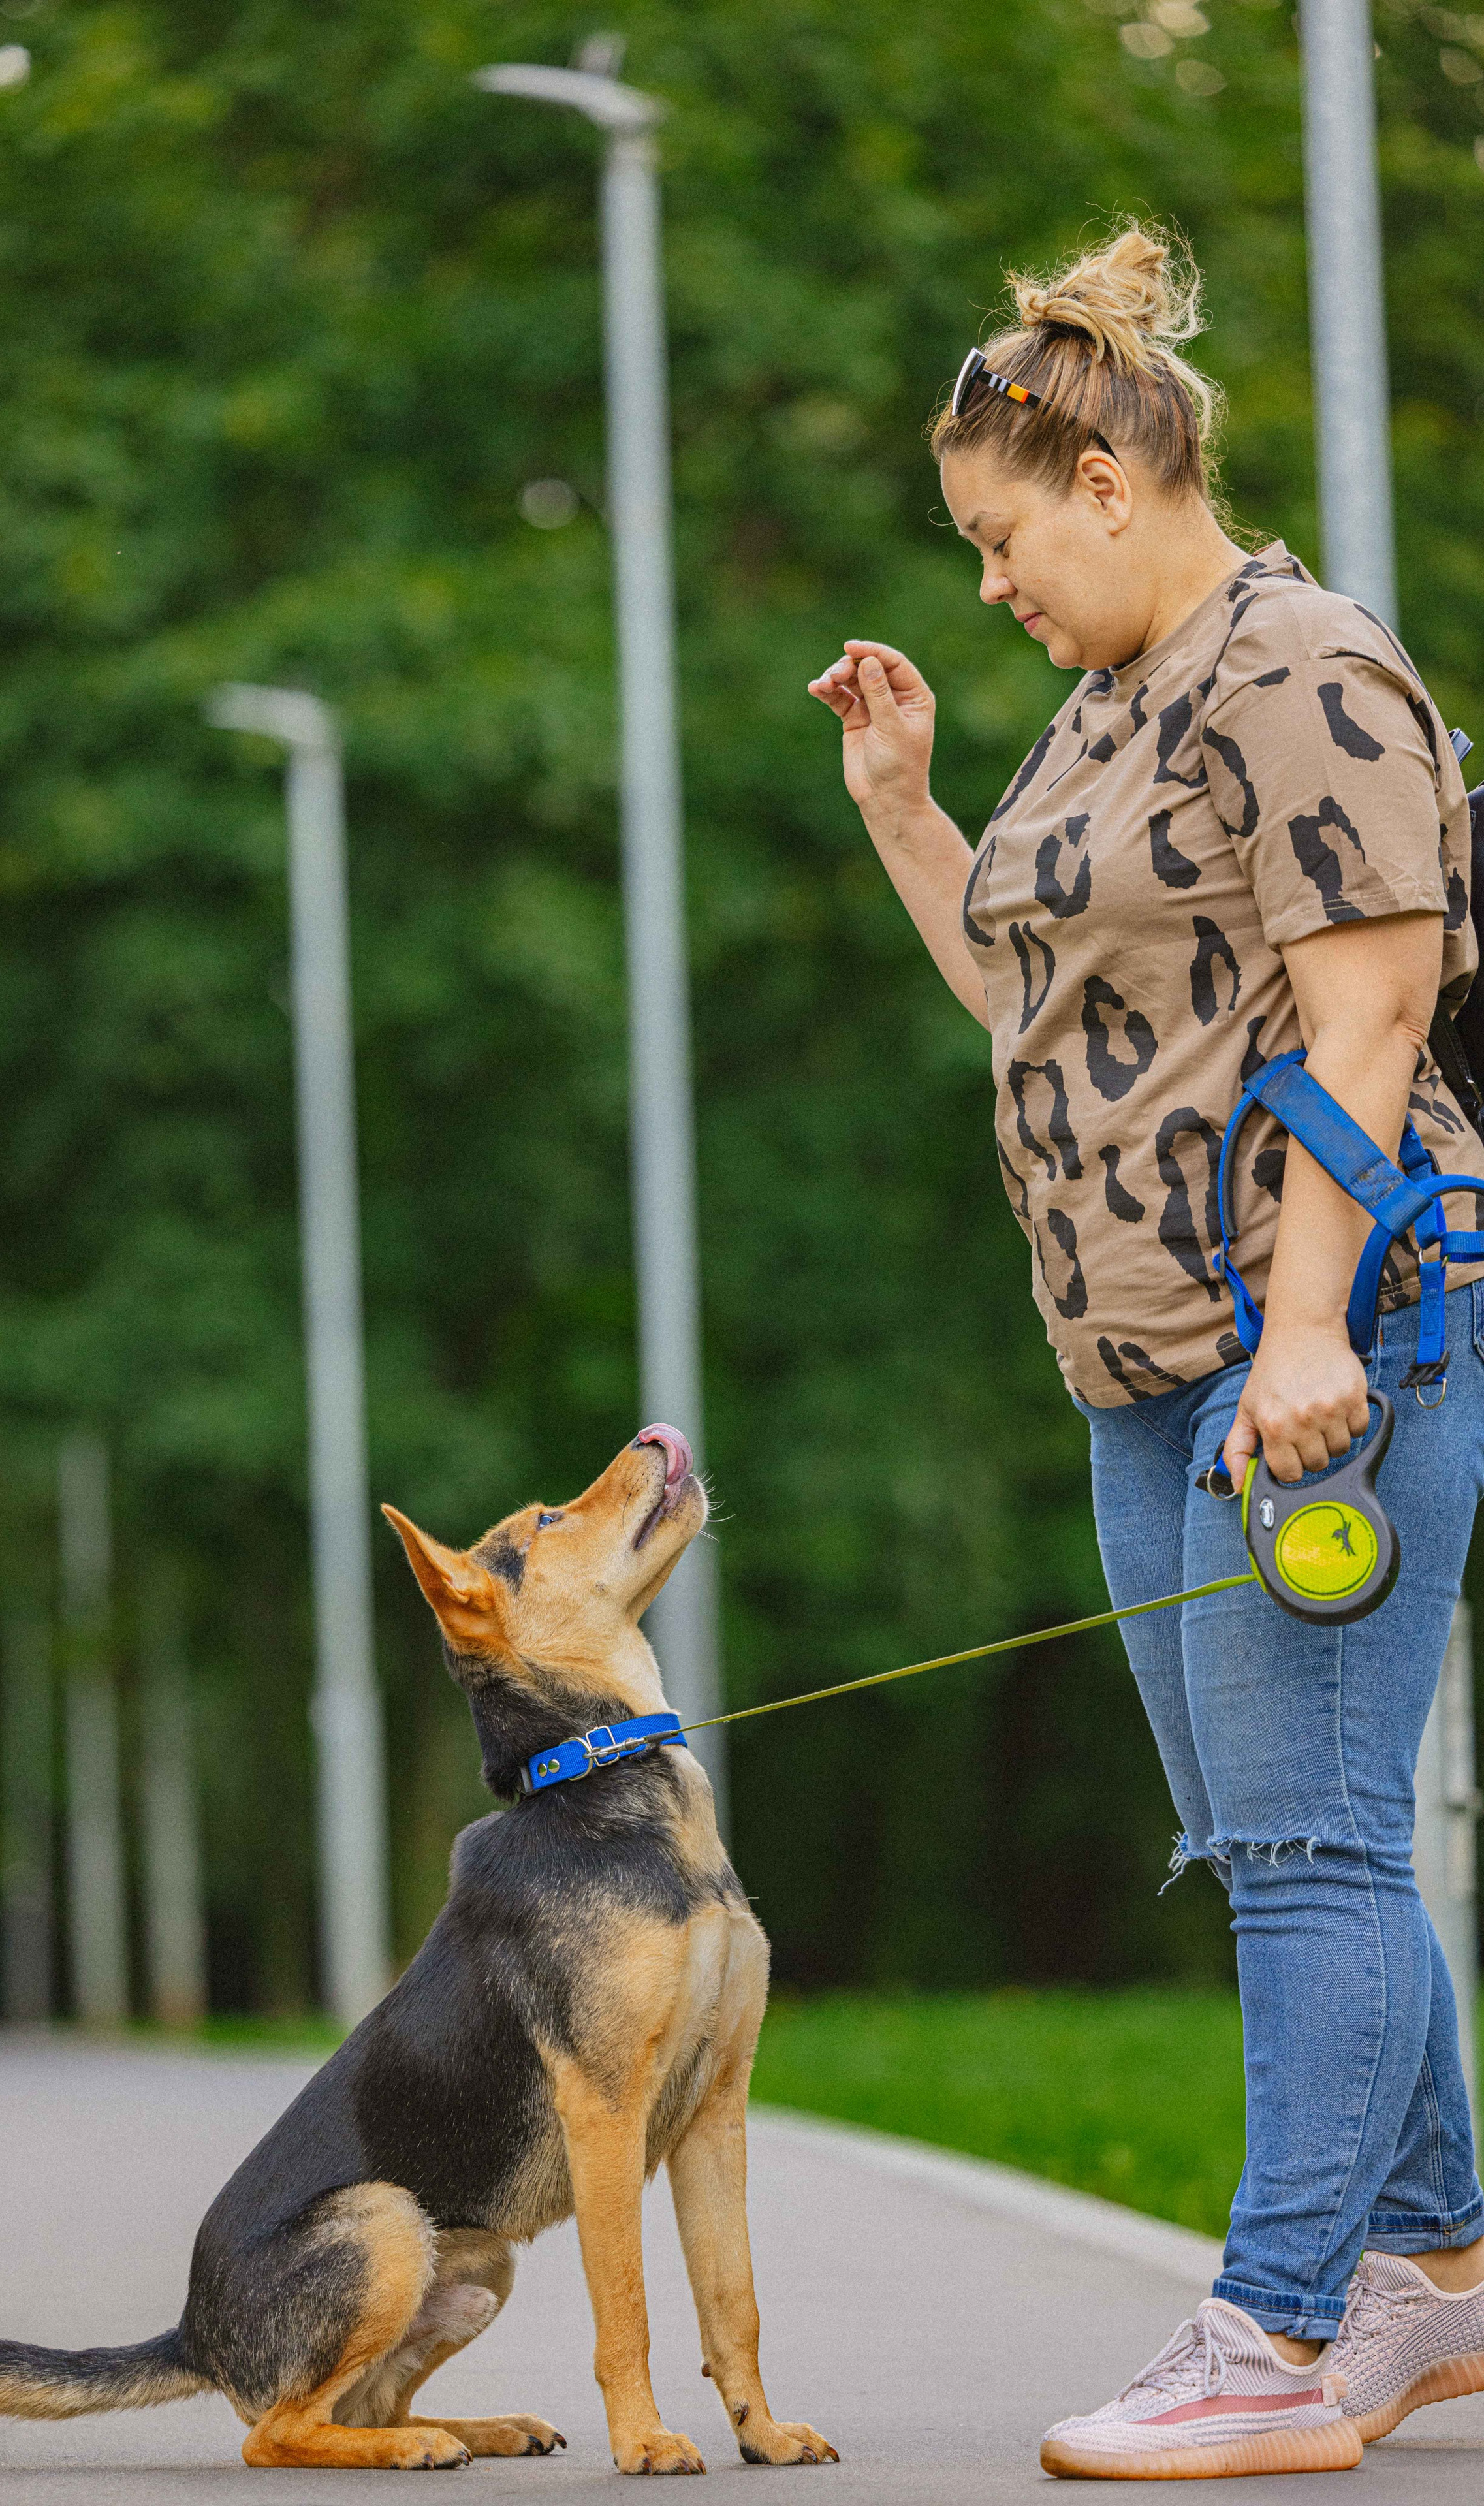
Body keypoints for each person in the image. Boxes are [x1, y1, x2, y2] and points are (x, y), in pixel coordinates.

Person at [810, 221, 1484, 2482]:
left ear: (1104, 478)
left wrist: (1310, 1328)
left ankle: (1279, 2337)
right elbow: (1038, 1020)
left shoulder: (1296, 664)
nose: (988, 584)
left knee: (1309, 1842)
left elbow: (1373, 1009)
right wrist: (912, 816)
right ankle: (1444, 2278)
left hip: (1330, 1336)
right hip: (1146, 1366)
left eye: (997, 537)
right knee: (1270, 1830)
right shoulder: (1116, 706)